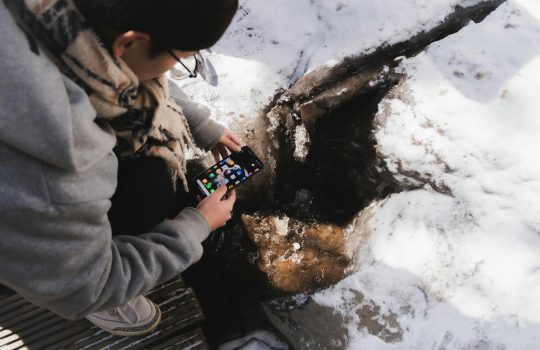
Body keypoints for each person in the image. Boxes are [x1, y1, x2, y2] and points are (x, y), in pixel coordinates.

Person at [0, 0, 240, 336]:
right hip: (33, 246)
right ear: (129, 42)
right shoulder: (55, 171)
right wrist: (196, 227)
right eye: (183, 59)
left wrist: (197, 121)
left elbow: (127, 70)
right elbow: (88, 285)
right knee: (151, 183)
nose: (171, 72)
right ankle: (98, 299)